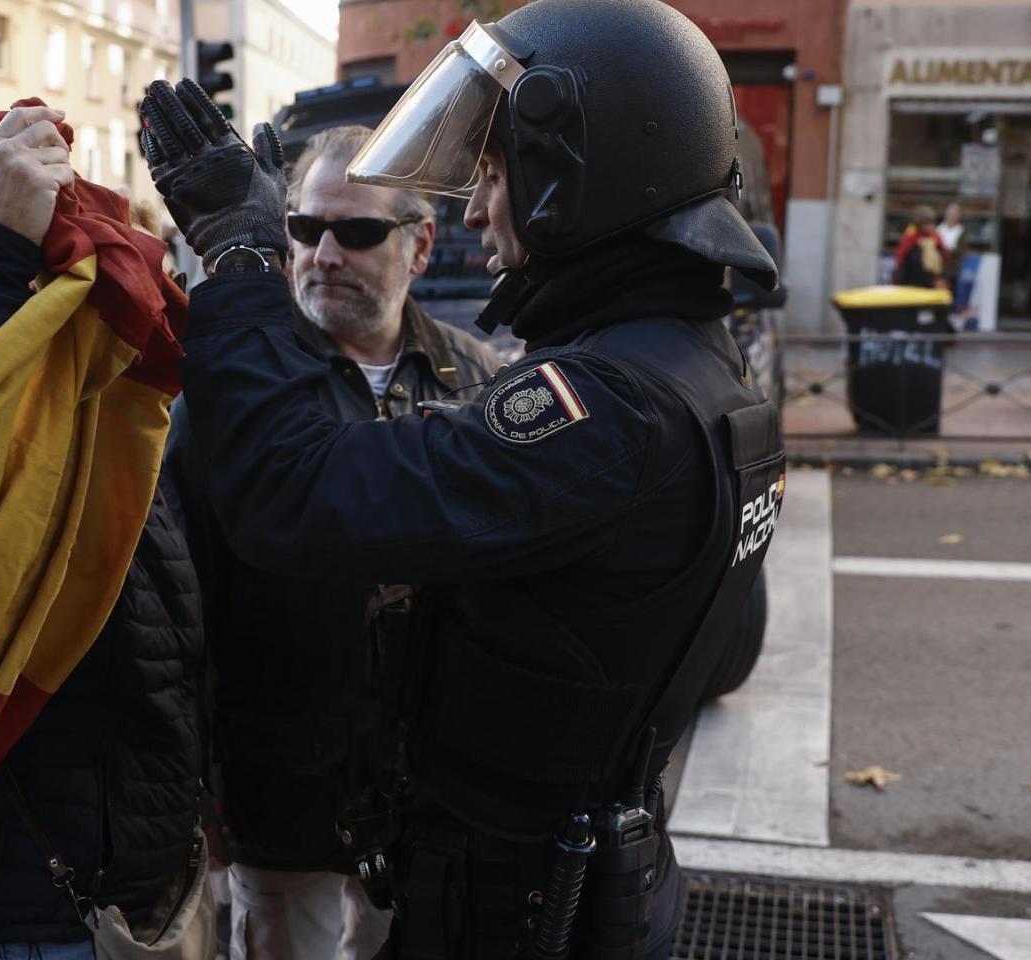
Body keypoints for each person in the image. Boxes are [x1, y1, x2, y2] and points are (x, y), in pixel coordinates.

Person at [138, 0, 787, 955]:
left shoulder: (611, 405)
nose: (478, 206)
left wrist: (240, 253)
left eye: (492, 173)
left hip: (510, 904)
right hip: (554, 877)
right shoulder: (692, 370)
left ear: (577, 173)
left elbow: (300, 495)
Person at [164, 124, 497, 960]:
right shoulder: (244, 395)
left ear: (419, 244)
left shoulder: (480, 378)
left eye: (356, 232)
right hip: (280, 779)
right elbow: (179, 594)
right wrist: (198, 780)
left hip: (429, 782)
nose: (323, 255)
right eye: (305, 229)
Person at [0, 102, 206, 960]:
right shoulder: (9, 421)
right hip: (29, 901)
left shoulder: (142, 431)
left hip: (143, 889)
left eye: (145, 269)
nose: (136, 298)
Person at [893, 204, 946, 289]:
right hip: (911, 285)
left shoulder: (936, 238)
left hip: (931, 285)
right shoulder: (910, 239)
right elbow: (901, 262)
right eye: (927, 223)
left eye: (932, 223)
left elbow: (944, 259)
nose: (931, 226)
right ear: (919, 224)